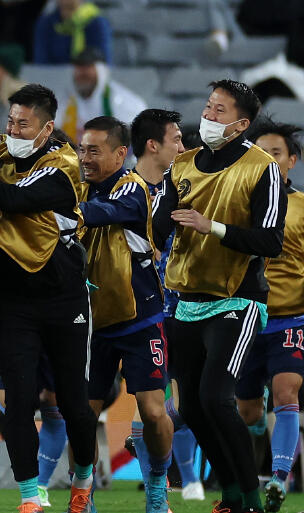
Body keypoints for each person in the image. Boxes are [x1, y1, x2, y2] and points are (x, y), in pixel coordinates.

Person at [152, 79, 287, 513]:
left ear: (241, 124)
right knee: (190, 405)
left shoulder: (261, 167)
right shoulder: (183, 164)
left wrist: (214, 228)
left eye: (220, 111)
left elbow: (270, 242)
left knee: (215, 397)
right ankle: (230, 493)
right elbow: (158, 229)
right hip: (185, 300)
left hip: (238, 300)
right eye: (208, 107)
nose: (208, 116)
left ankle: (249, 498)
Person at [0, 84, 97, 513]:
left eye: (22, 123)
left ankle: (81, 482)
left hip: (64, 299)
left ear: (46, 129)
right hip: (11, 301)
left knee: (75, 404)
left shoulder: (62, 167)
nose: (12, 129)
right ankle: (30, 497)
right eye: (9, 120)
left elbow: (11, 198)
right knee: (18, 402)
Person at [77, 116, 173, 513]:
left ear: (121, 153)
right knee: (82, 417)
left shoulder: (133, 190)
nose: (85, 158)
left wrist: (50, 211)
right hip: (93, 325)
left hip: (141, 319)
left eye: (94, 150)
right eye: (82, 149)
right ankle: (83, 496)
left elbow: (96, 214)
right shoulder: (77, 187)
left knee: (153, 412)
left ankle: (156, 486)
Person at [130, 109, 206, 502]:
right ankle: (180, 484)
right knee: (160, 399)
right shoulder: (140, 189)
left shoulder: (197, 193)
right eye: (178, 145)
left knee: (186, 400)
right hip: (154, 307)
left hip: (190, 303)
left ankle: (180, 477)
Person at [238, 118, 304, 513]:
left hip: (290, 319)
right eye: (258, 154)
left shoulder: (302, 207)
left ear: (291, 161)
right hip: (246, 318)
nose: (266, 161)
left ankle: (279, 479)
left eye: (274, 154)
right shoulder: (239, 204)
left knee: (286, 393)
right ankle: (259, 432)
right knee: (247, 412)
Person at [55, 48, 146, 144]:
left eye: (88, 67)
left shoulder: (122, 101)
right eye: (79, 67)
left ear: (100, 71)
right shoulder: (65, 100)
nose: (82, 72)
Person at [32, 0, 111, 65]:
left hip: (87, 80)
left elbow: (103, 66)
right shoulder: (45, 23)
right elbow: (41, 64)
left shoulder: (97, 23)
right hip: (52, 80)